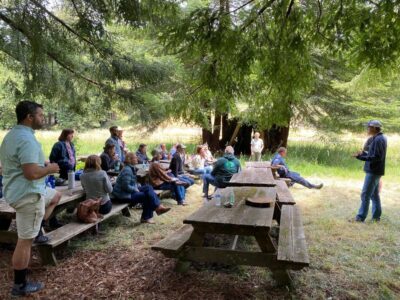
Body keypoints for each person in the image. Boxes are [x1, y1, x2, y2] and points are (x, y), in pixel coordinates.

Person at [0, 101, 61, 296]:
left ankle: (37, 230)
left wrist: (40, 163)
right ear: (29, 117)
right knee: (24, 241)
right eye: (41, 115)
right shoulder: (26, 140)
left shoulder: (12, 136)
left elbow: (18, 165)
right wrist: (50, 169)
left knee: (54, 196)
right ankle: (20, 285)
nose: (43, 119)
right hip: (28, 194)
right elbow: (32, 173)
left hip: (19, 191)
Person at [111, 152, 170, 223]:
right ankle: (147, 216)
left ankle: (158, 207)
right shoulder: (127, 170)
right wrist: (135, 189)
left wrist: (137, 186)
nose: (137, 159)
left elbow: (132, 182)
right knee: (146, 196)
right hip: (123, 195)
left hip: (128, 191)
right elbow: (125, 186)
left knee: (148, 187)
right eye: (135, 158)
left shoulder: (130, 168)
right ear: (130, 160)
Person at [351, 120, 387, 222]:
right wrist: (362, 155)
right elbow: (372, 154)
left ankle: (360, 217)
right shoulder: (377, 138)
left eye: (369, 127)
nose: (367, 129)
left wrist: (360, 157)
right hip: (374, 170)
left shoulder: (379, 139)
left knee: (365, 194)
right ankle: (376, 218)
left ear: (375, 128)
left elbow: (376, 157)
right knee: (374, 194)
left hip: (374, 171)